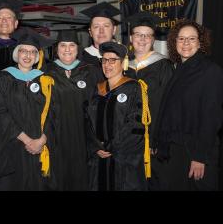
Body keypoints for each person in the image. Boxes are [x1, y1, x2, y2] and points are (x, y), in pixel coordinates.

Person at [154, 19, 223, 191]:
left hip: (195, 152)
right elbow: (168, 111)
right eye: (181, 38)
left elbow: (211, 118)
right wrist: (158, 141)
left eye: (191, 39)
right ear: (174, 42)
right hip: (176, 150)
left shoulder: (210, 71)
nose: (186, 43)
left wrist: (200, 157)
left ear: (200, 43)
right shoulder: (178, 70)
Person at [0, 27, 55, 191]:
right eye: (23, 51)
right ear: (17, 53)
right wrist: (27, 140)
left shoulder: (45, 80)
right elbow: (0, 113)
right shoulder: (4, 77)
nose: (27, 56)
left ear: (37, 56)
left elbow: (53, 113)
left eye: (32, 52)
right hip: (14, 146)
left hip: (40, 147)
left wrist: (42, 140)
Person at [45, 30, 102, 191]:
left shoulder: (92, 72)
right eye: (63, 45)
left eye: (72, 45)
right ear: (57, 49)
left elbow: (99, 107)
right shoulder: (46, 72)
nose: (67, 49)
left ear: (78, 48)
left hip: (84, 140)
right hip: (55, 140)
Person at [123, 11, 174, 189]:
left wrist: (156, 140)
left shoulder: (163, 66)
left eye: (148, 35)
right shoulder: (122, 66)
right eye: (138, 34)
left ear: (153, 39)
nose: (143, 39)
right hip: (127, 140)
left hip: (152, 139)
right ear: (131, 38)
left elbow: (167, 106)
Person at [94, 42, 148, 191]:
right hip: (101, 158)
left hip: (124, 160)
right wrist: (96, 146)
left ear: (123, 63)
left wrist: (110, 146)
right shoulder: (98, 89)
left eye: (113, 60)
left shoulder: (134, 88)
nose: (107, 64)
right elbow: (88, 122)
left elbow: (135, 126)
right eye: (104, 60)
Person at [80, 1, 121, 79]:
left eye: (106, 26)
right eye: (96, 27)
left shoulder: (126, 57)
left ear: (114, 30)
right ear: (90, 32)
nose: (101, 31)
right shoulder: (81, 59)